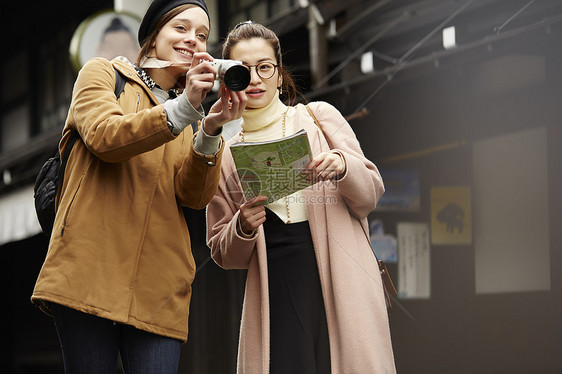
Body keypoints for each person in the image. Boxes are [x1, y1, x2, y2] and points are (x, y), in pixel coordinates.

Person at [31, 0, 246, 372]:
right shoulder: (101, 73)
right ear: (152, 35)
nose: (193, 40)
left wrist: (210, 130)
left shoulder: (190, 117)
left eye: (202, 35)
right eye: (180, 28)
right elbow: (105, 138)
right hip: (88, 272)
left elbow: (195, 197)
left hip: (160, 286)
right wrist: (184, 109)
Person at [206, 21, 396, 374]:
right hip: (275, 287)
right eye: (241, 70)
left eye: (265, 67)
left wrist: (343, 166)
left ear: (279, 74)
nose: (256, 78)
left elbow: (370, 195)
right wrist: (242, 227)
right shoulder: (226, 153)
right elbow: (221, 251)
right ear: (228, 79)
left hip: (342, 278)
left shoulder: (318, 118)